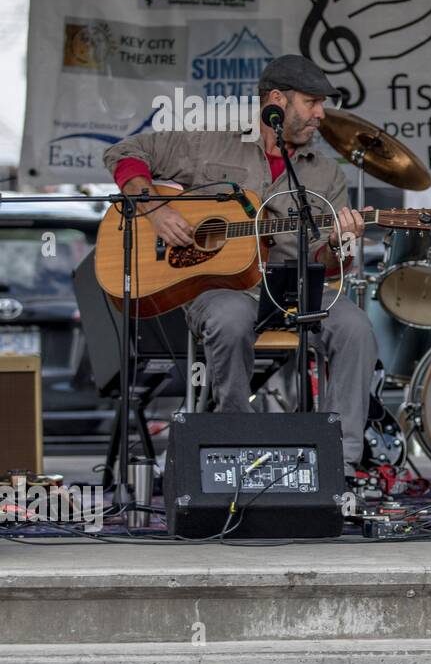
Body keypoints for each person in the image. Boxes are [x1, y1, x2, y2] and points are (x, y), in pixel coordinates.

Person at [104, 55, 380, 464]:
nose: (321, 114)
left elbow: (332, 266)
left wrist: (342, 243)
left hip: (296, 288)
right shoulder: (206, 142)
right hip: (220, 288)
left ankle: (342, 457)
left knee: (356, 327)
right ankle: (237, 435)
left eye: (322, 103)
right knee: (230, 319)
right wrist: (157, 211)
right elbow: (124, 153)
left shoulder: (327, 175)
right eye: (311, 102)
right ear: (276, 101)